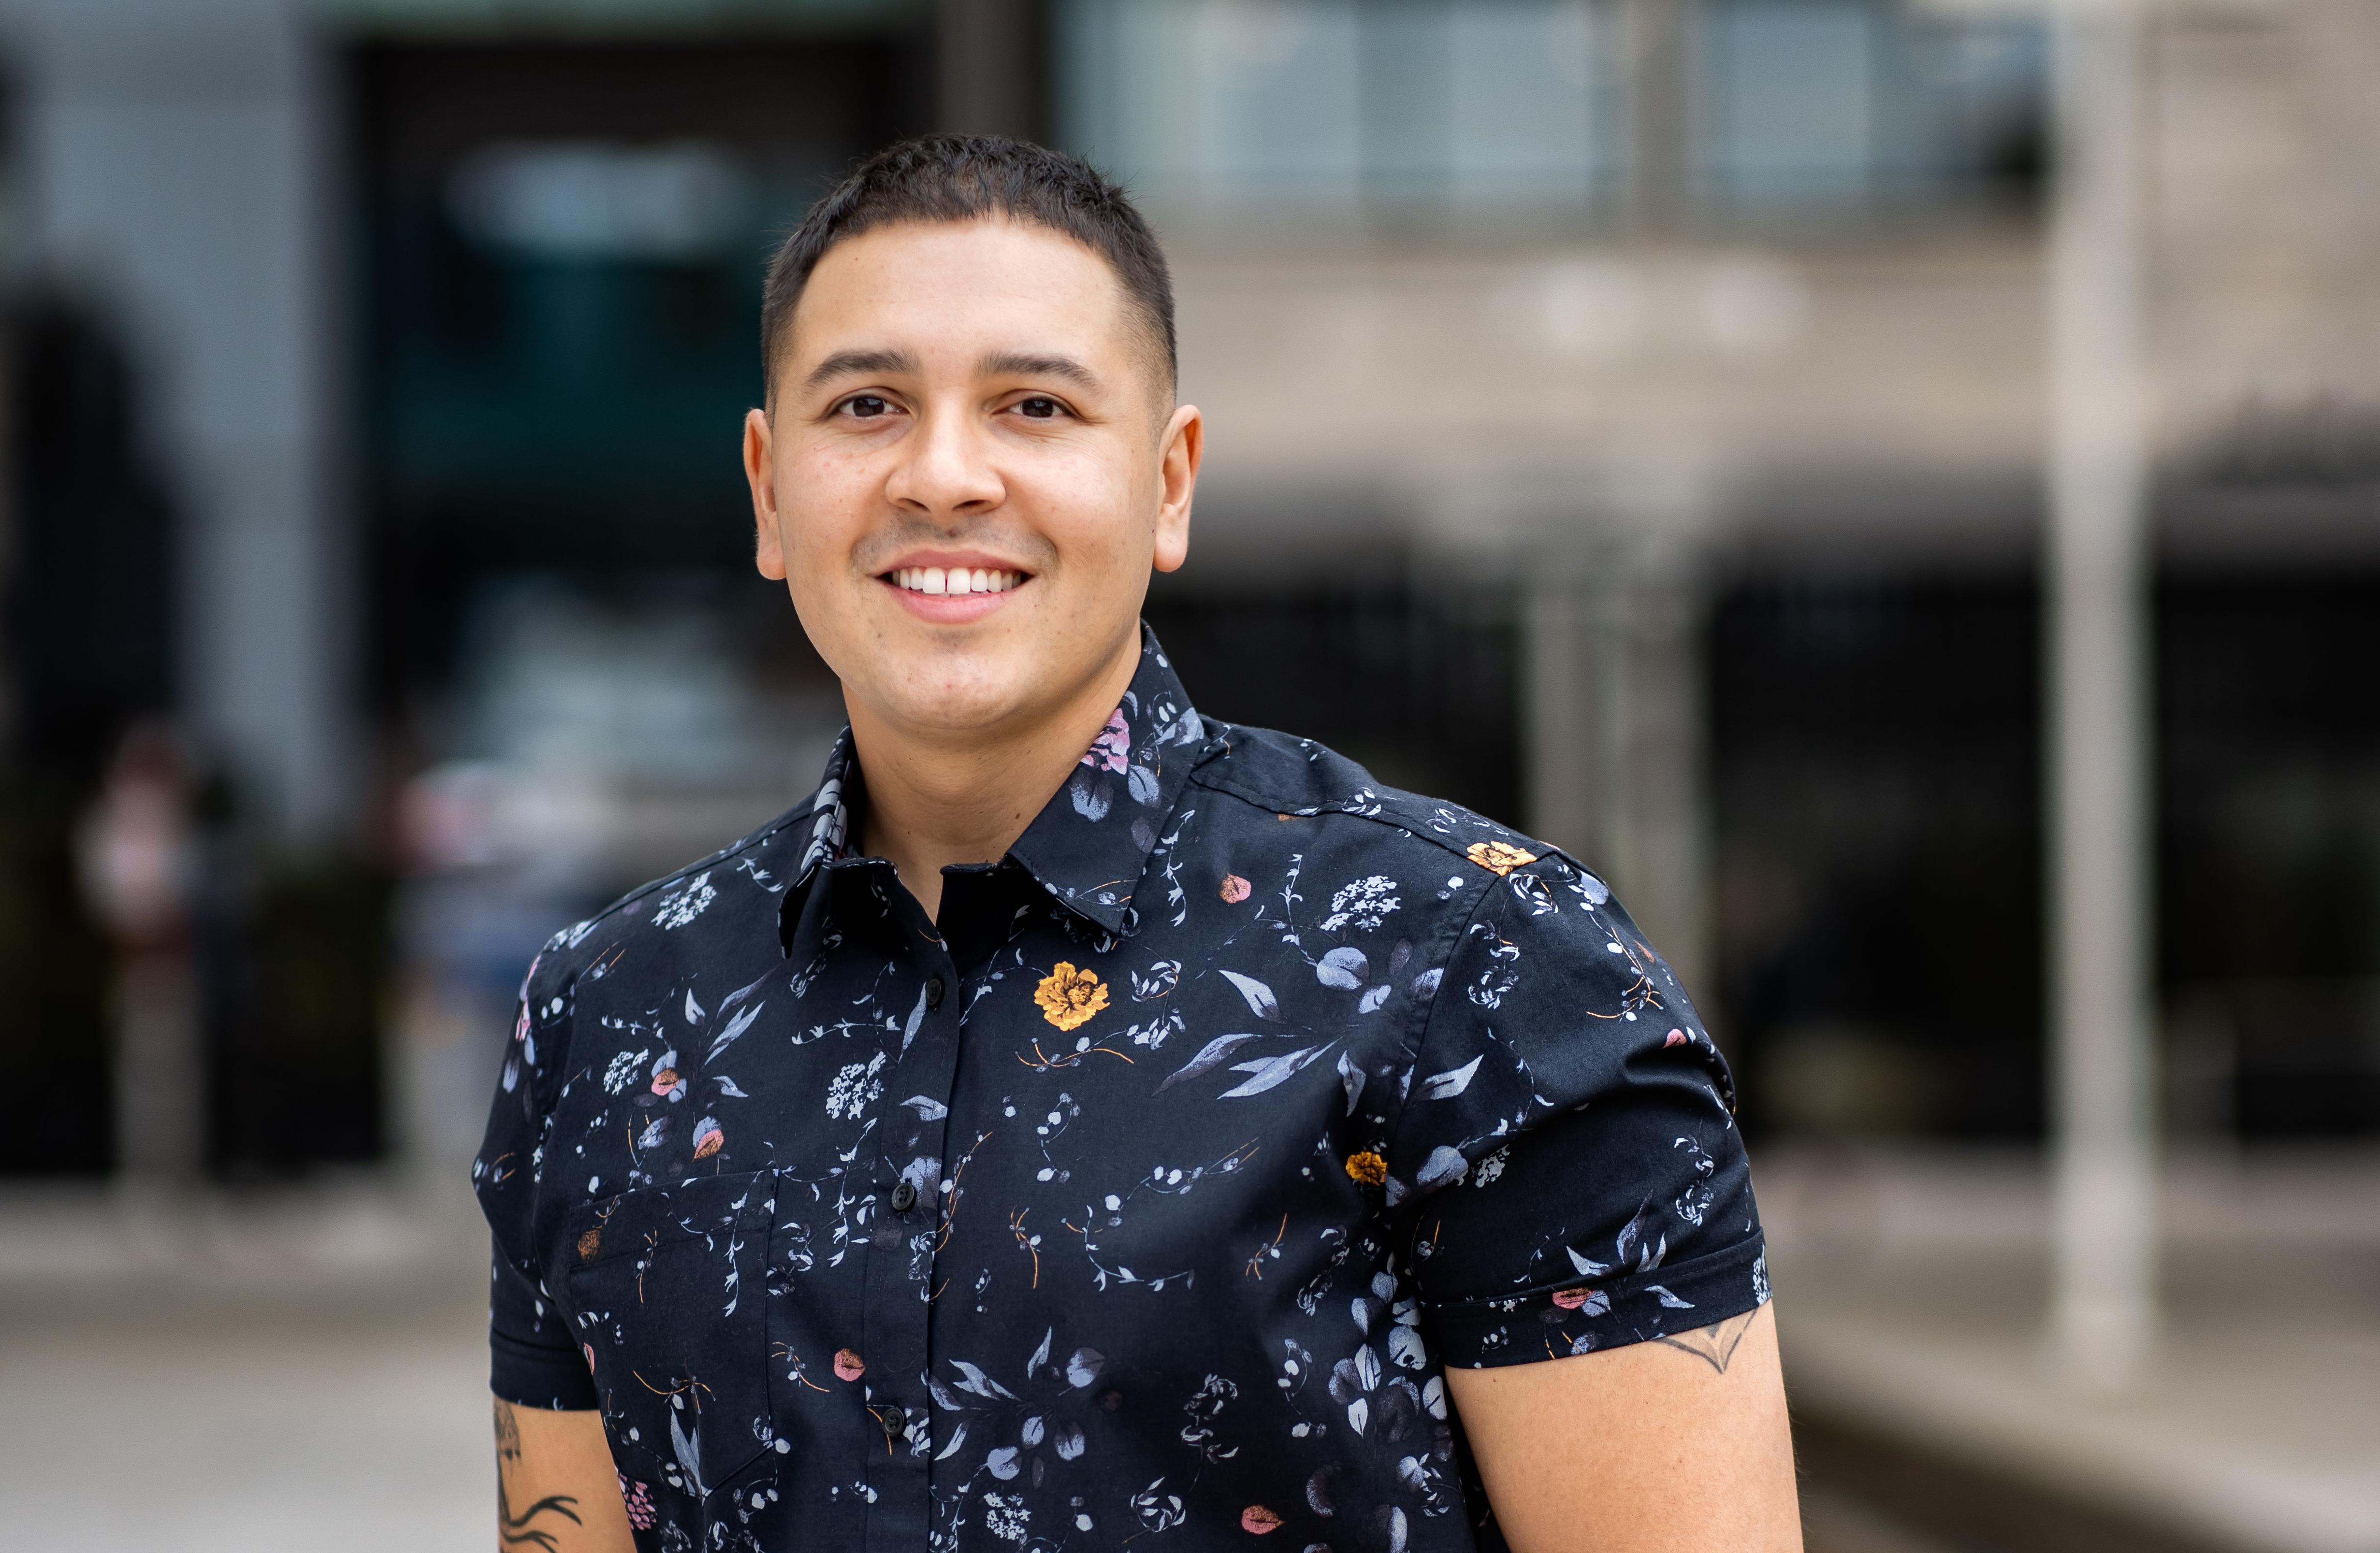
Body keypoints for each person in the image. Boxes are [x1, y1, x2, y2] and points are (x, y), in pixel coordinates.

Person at [477, 135, 1800, 1553]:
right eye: (866, 404)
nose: (942, 475)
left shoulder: (1482, 970)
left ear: (1169, 483)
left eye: (1033, 405)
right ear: (766, 487)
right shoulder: (607, 1012)